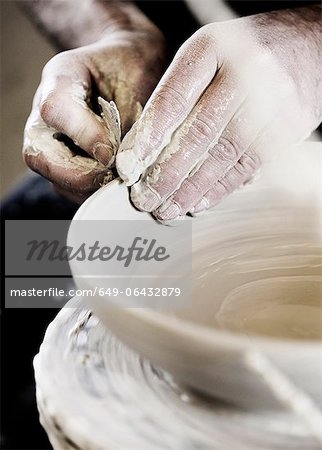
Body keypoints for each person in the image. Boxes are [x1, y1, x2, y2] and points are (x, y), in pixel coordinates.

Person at [3, 0, 322, 219]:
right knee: (19, 270)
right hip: (154, 104)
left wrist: (314, 42)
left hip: (306, 76)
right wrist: (115, 30)